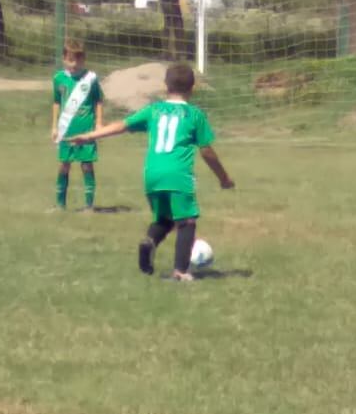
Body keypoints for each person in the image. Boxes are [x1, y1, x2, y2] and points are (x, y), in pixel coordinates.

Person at [67, 63, 234, 281]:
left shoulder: (154, 110)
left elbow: (121, 125)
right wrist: (224, 178)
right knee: (186, 221)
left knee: (165, 220)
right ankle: (180, 272)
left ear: (165, 87)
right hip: (178, 175)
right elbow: (207, 151)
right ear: (193, 88)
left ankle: (149, 242)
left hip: (152, 174)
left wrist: (89, 136)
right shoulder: (194, 115)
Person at [50, 42, 104, 211]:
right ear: (64, 59)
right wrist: (54, 126)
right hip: (66, 129)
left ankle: (89, 206)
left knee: (86, 164)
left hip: (86, 129)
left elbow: (98, 101)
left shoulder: (91, 79)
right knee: (64, 164)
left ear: (83, 60)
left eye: (77, 61)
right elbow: (56, 102)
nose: (73, 65)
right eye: (70, 60)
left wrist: (99, 123)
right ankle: (60, 205)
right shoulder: (58, 78)